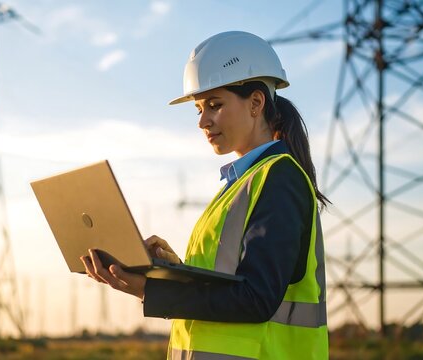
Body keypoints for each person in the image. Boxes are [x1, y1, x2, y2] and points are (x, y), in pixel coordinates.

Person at [80, 31, 330, 359]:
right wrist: (174, 271)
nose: (202, 121)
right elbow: (231, 286)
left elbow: (256, 299)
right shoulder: (241, 185)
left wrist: (151, 290)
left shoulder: (278, 179)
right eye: (199, 108)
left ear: (256, 103)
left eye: (215, 105)